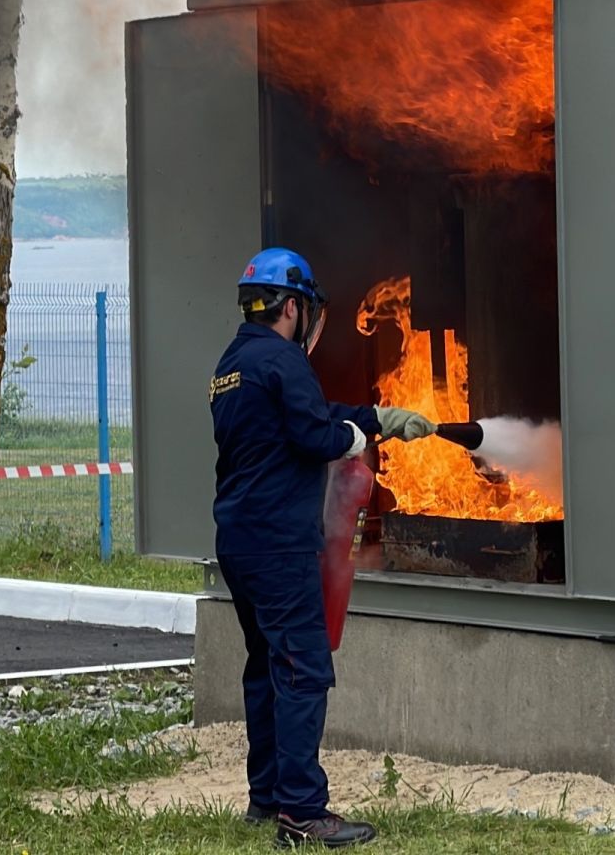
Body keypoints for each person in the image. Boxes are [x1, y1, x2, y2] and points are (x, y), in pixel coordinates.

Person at [211, 247, 437, 849]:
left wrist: (379, 416)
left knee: (266, 667)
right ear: (292, 306)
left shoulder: (236, 363)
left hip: (238, 540)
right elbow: (316, 435)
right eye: (304, 308)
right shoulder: (282, 360)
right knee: (304, 670)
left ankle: (267, 799)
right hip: (278, 544)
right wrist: (359, 435)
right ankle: (304, 814)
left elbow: (307, 414)